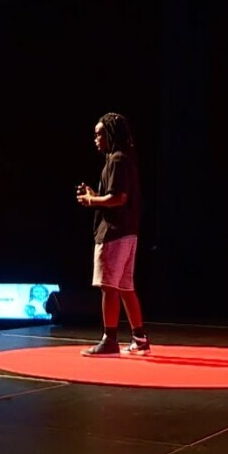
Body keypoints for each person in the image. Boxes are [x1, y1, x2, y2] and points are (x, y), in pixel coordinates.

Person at [75, 112, 151, 356]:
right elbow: (115, 196)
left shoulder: (117, 160)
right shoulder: (123, 159)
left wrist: (91, 200)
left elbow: (118, 198)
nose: (96, 139)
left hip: (114, 232)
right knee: (126, 287)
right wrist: (95, 195)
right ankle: (140, 338)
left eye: (100, 134)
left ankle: (109, 340)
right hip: (128, 232)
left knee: (109, 286)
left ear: (110, 134)